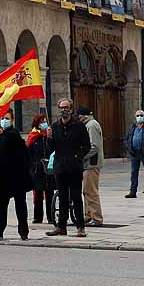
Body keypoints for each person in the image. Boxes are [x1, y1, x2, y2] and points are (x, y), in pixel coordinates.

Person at [46, 98, 90, 238]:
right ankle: (61, 226)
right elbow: (51, 148)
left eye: (66, 107)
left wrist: (77, 157)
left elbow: (87, 146)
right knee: (63, 198)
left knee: (76, 197)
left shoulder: (79, 126)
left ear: (71, 109)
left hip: (75, 167)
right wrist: (49, 138)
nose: (63, 110)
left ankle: (80, 227)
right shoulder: (55, 126)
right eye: (61, 107)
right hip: (60, 167)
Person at [0, 110, 33, 240]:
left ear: (13, 120)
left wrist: (4, 133)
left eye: (7, 118)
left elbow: (16, 140)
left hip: (17, 177)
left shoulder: (13, 134)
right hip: (2, 178)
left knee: (20, 205)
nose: (4, 120)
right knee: (1, 206)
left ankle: (23, 231)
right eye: (2, 118)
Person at [26, 114, 55, 224]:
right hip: (37, 168)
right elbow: (28, 152)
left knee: (50, 193)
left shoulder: (49, 135)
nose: (44, 123)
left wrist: (50, 137)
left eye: (45, 121)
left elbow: (53, 148)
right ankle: (38, 217)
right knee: (38, 193)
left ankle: (50, 216)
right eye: (41, 122)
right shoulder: (34, 136)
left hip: (49, 166)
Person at [80, 105, 105, 226]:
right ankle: (88, 214)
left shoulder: (91, 125)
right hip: (88, 164)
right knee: (86, 191)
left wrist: (80, 155)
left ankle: (97, 218)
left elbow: (93, 146)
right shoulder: (89, 124)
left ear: (83, 116)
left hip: (91, 163)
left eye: (79, 116)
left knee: (91, 191)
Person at [124, 109, 144, 198]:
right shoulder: (132, 127)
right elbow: (127, 138)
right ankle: (132, 192)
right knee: (134, 173)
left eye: (141, 115)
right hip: (134, 153)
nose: (139, 117)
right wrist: (129, 148)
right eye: (137, 116)